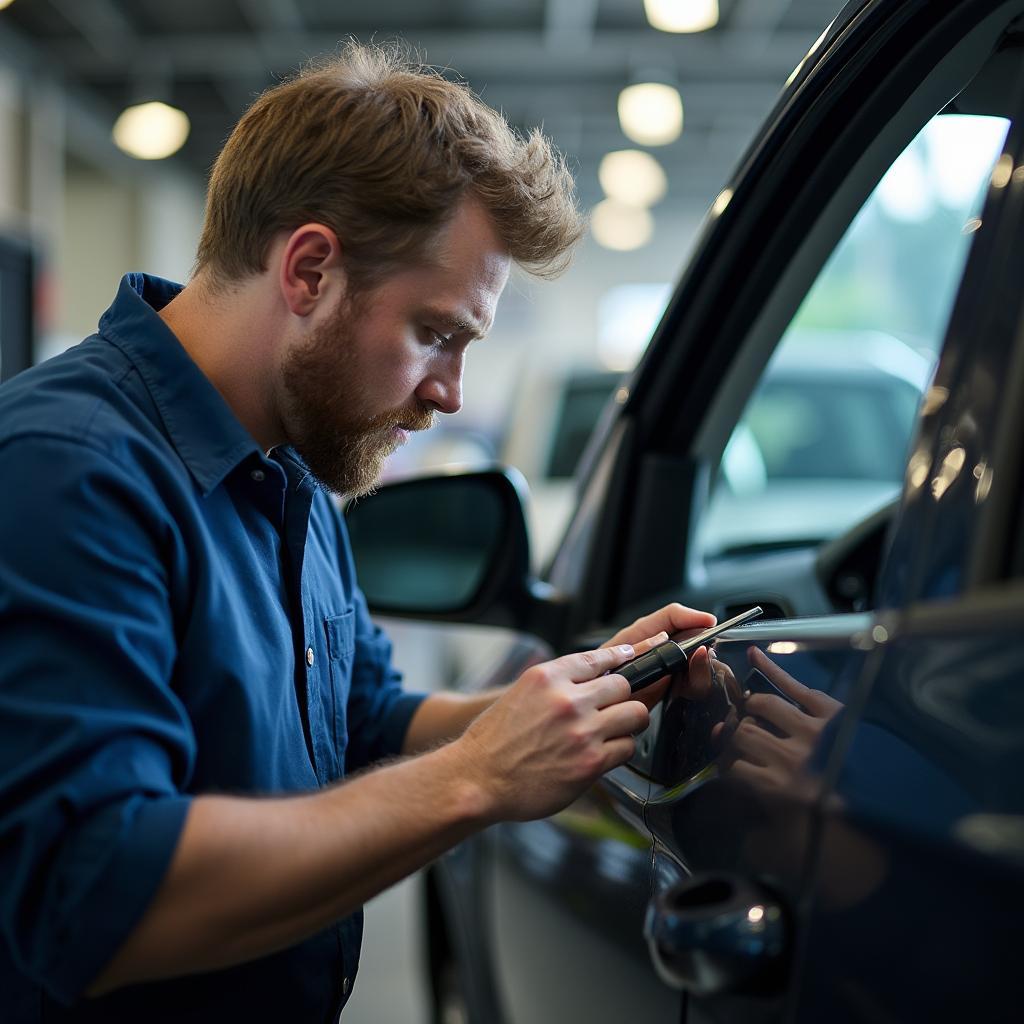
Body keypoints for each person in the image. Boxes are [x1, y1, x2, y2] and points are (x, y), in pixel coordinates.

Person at [0, 42, 716, 1022]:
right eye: (435, 332)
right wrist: (476, 779)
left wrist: (568, 694)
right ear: (307, 271)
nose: (450, 393)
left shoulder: (290, 463)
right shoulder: (66, 470)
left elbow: (363, 715)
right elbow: (98, 897)